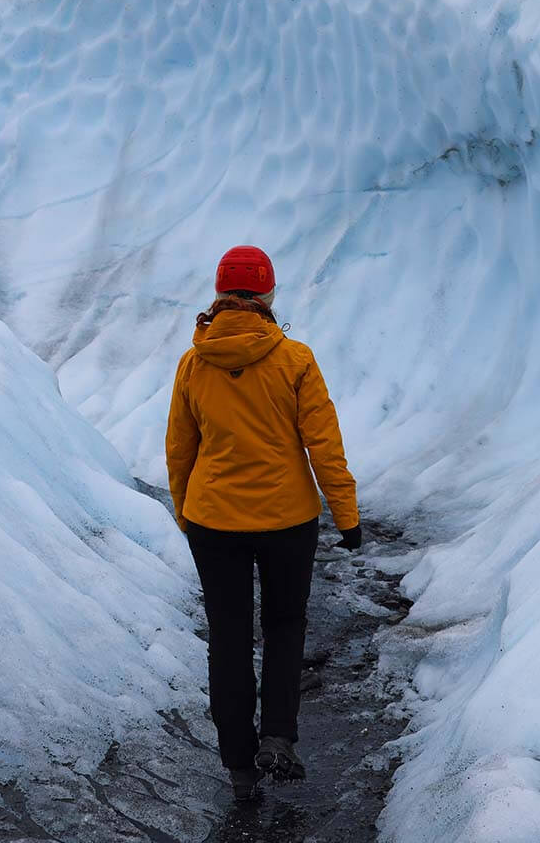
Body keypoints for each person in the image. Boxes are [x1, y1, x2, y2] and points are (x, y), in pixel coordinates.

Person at [165, 245, 361, 802]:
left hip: (213, 521)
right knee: (283, 626)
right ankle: (278, 736)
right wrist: (346, 516)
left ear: (219, 293)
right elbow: (324, 445)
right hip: (287, 520)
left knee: (227, 639)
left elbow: (180, 450)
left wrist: (187, 513)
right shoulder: (294, 359)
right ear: (269, 294)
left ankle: (238, 767)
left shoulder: (193, 362)